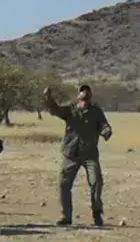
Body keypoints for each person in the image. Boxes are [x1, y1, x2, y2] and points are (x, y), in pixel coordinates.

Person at [43, 84, 112, 227]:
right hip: (71, 153)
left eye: (87, 96)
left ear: (90, 97)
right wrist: (48, 98)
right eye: (82, 95)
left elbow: (104, 125)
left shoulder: (96, 112)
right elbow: (55, 110)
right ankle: (66, 216)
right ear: (78, 96)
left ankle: (96, 213)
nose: (85, 98)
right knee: (64, 184)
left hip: (90, 154)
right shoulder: (70, 110)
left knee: (96, 182)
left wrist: (106, 131)